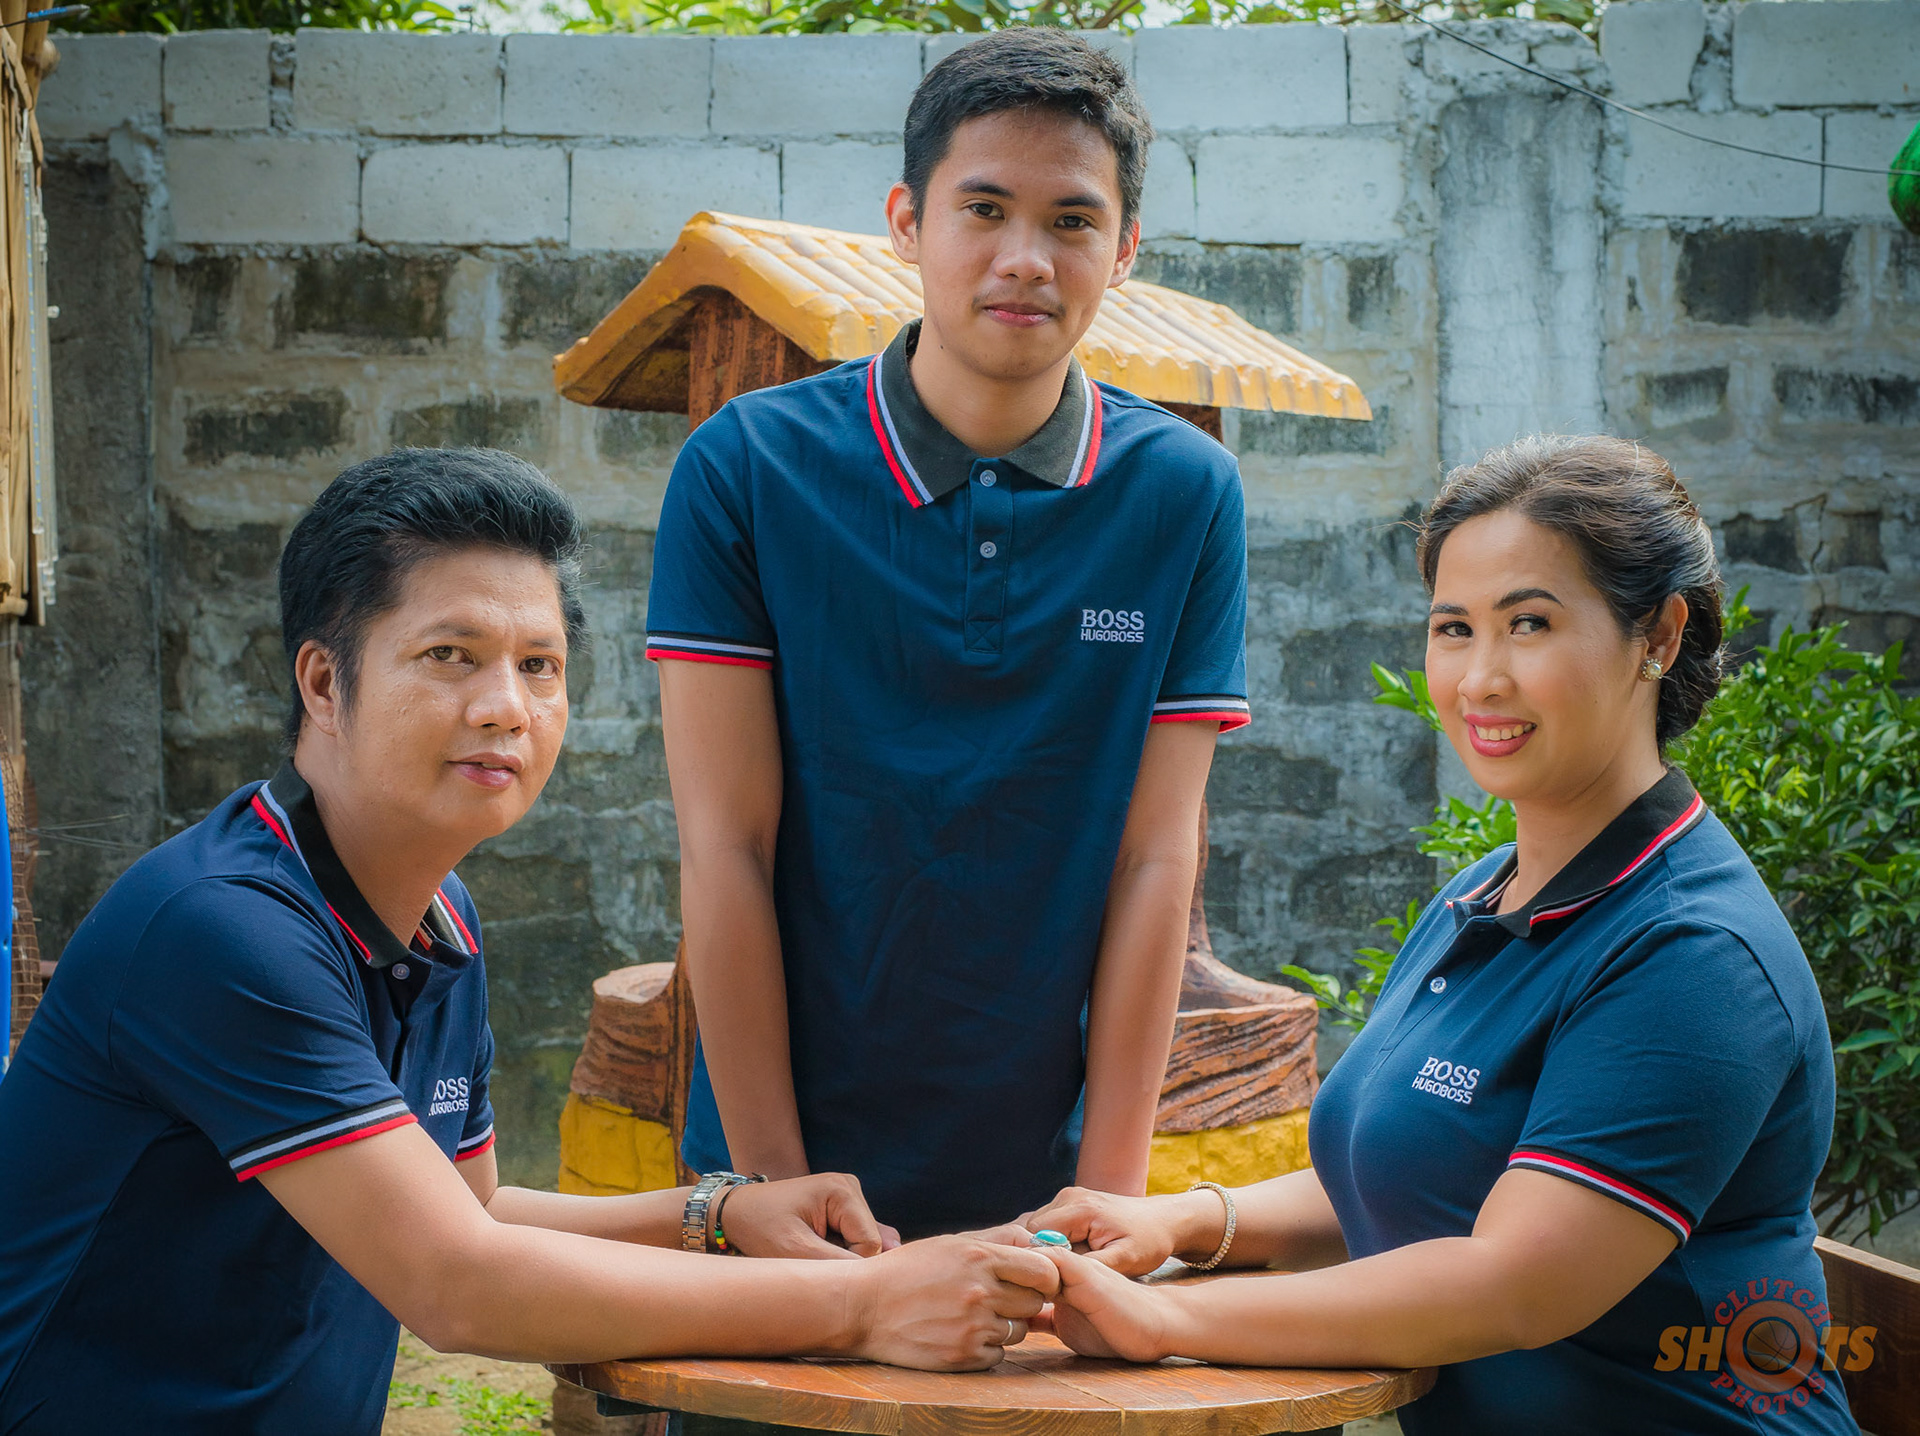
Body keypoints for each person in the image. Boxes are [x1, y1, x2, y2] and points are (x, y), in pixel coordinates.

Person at [0, 449, 1059, 1435]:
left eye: (539, 664)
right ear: (323, 683)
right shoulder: (223, 929)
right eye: (450, 656)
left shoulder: (437, 915)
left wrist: (718, 1211)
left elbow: (474, 1211)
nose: (507, 706)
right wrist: (863, 1304)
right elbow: (458, 1282)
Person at [1022, 435, 1859, 1434]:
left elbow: (1515, 1281)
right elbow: (1417, 1165)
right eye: (1454, 628)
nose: (1480, 678)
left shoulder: (1694, 953)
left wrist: (1164, 1317)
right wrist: (1189, 1219)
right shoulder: (1483, 894)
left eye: (1530, 623)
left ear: (1660, 636)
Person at [648, 27, 1248, 1239]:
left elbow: (1155, 860)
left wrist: (1107, 1196)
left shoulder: (1184, 492)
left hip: (1047, 1182)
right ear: (906, 222)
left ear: (1125, 249)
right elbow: (725, 845)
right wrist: (777, 1194)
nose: (1026, 257)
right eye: (983, 208)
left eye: (1072, 221)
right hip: (779, 1163)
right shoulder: (746, 467)